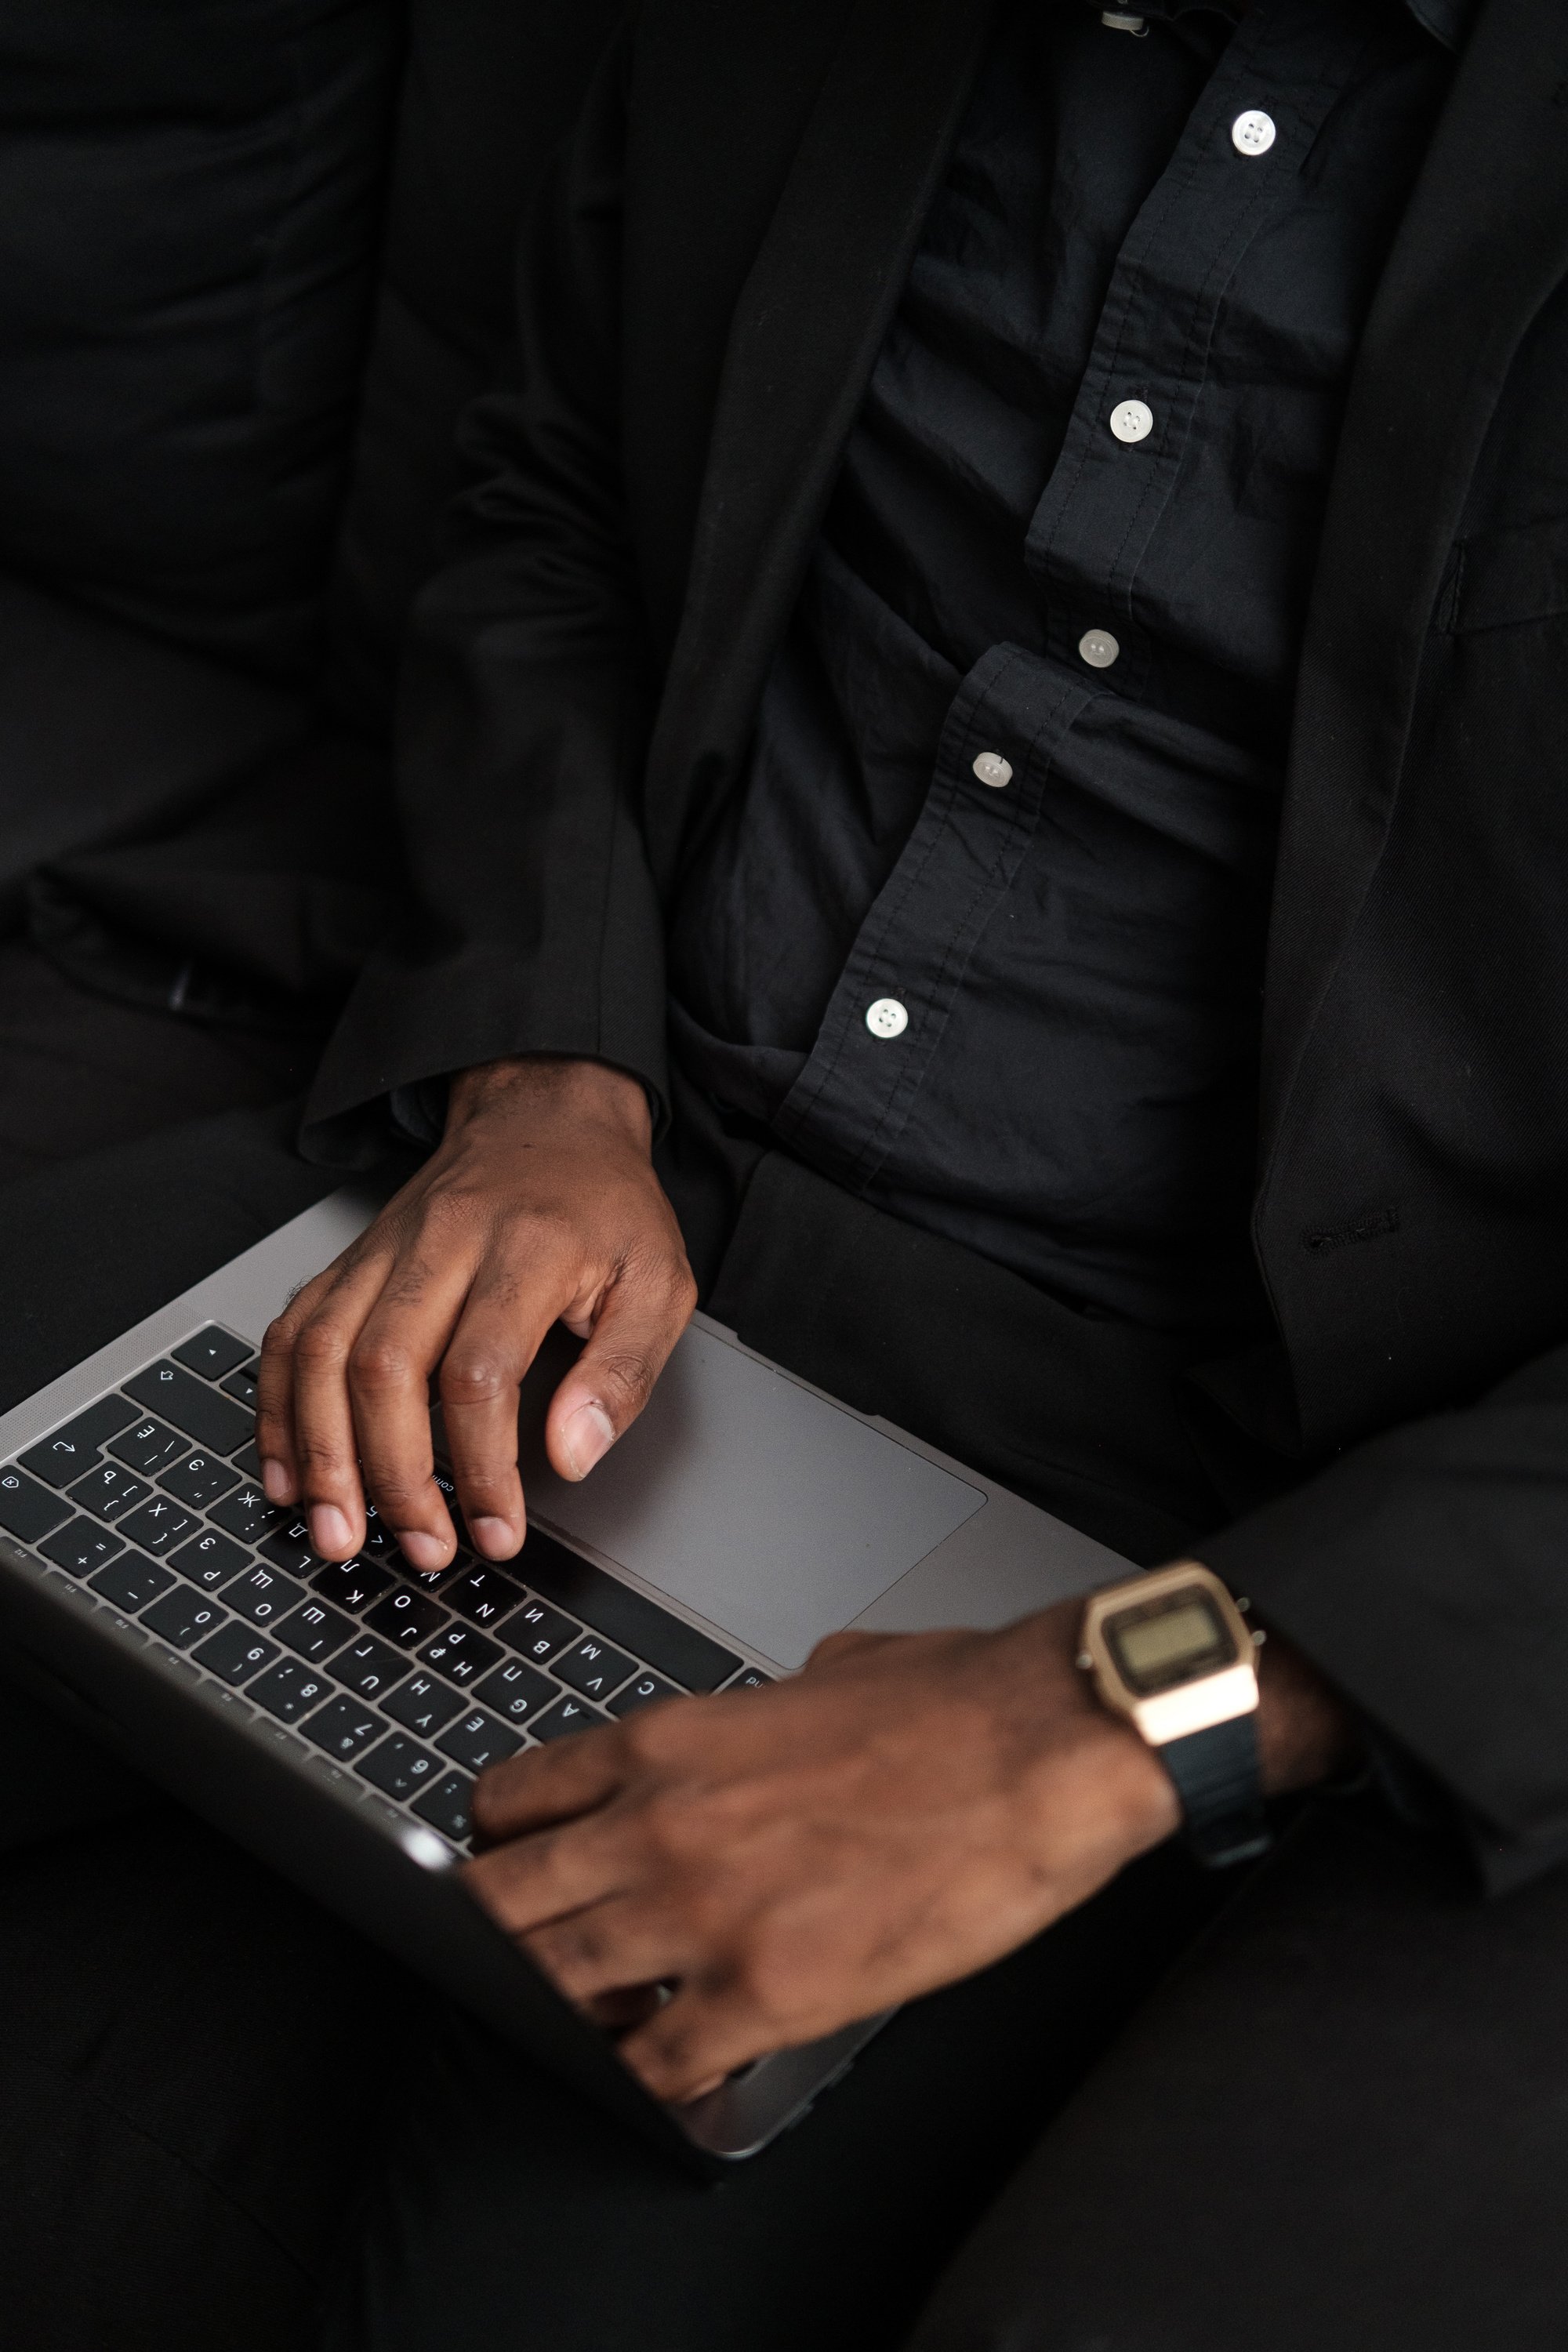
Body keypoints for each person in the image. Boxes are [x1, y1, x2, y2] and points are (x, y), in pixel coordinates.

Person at [5, 0, 1568, 2345]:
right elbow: (545, 499)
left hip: (1152, 1466)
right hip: (577, 1149)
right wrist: (545, 1065)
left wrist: (1111, 1714)